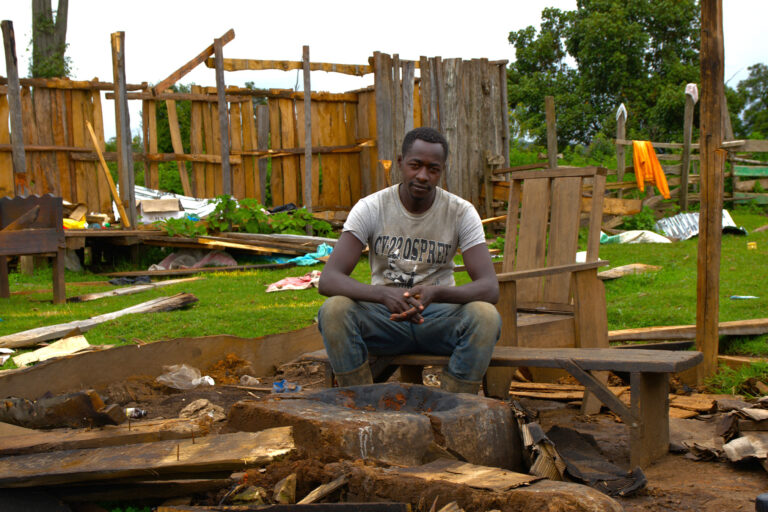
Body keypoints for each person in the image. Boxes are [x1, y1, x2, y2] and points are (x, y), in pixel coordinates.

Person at [317, 127, 501, 394]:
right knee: (334, 310)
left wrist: (436, 293)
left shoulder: (461, 212)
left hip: (437, 319)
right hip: (385, 319)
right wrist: (381, 294)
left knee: (485, 316)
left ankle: (455, 407)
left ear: (442, 170)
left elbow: (489, 287)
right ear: (401, 162)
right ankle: (359, 403)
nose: (423, 176)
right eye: (415, 165)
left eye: (433, 169)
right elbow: (329, 279)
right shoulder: (372, 207)